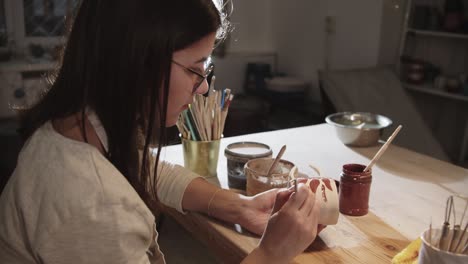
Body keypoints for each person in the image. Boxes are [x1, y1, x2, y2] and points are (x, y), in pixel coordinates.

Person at [0, 1, 322, 263]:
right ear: (137, 63)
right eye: (196, 69)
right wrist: (271, 254)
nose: (204, 87)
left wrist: (239, 206)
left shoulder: (80, 124)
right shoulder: (95, 205)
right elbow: (111, 198)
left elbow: (147, 170)